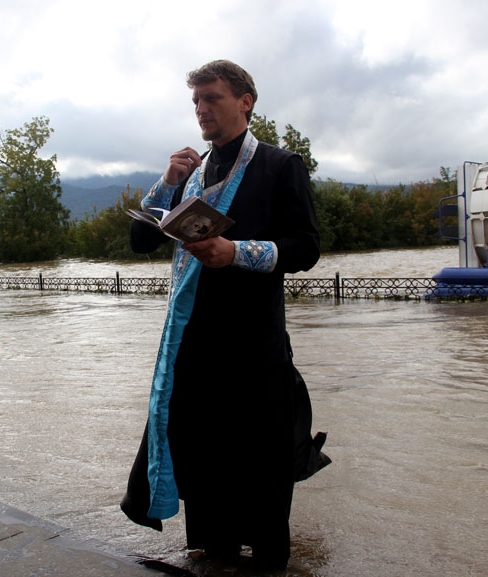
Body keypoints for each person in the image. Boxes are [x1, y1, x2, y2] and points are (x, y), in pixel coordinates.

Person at [121, 59, 324, 571]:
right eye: (196, 100)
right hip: (194, 340)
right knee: (204, 451)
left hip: (253, 339)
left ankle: (270, 559)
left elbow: (306, 247)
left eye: (211, 97)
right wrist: (166, 181)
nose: (201, 109)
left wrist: (235, 253)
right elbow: (141, 239)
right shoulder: (191, 175)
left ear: (244, 102)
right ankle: (214, 553)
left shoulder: (280, 165)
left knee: (261, 452)